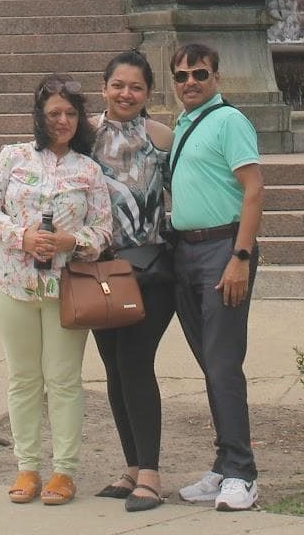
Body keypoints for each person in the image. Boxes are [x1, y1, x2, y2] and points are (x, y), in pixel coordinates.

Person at [0, 74, 112, 507]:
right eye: (54, 113)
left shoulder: (88, 170)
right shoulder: (12, 158)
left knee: (63, 380)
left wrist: (72, 242)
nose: (63, 120)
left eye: (71, 113)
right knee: (23, 378)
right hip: (12, 283)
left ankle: (64, 471)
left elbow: (104, 231)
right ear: (40, 116)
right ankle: (28, 467)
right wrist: (23, 237)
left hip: (66, 289)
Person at [168, 43, 264, 513]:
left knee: (223, 364)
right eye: (182, 76)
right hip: (186, 251)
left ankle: (242, 474)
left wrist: (240, 256)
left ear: (217, 77)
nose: (191, 82)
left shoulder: (229, 121)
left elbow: (254, 189)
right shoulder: (183, 124)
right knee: (211, 363)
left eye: (199, 74)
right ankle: (224, 465)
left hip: (223, 250)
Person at [90, 51, 175, 511]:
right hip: (100, 271)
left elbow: (186, 187)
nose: (127, 94)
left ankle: (151, 474)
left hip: (152, 269)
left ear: (147, 93)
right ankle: (131, 466)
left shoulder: (162, 136)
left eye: (136, 87)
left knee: (137, 363)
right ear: (104, 86)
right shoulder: (85, 136)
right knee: (114, 368)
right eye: (118, 85)